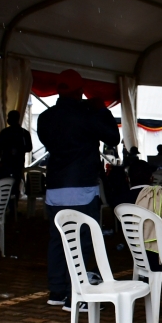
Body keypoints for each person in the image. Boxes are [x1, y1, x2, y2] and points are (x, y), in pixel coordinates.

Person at [37, 69, 120, 309]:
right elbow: (113, 138)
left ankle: (56, 291)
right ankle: (76, 296)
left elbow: (53, 142)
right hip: (81, 185)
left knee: (57, 239)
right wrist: (101, 110)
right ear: (80, 90)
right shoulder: (87, 115)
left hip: (55, 185)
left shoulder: (46, 118)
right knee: (82, 240)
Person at [0, 110, 33, 204]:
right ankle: (13, 207)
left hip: (7, 162)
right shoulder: (24, 133)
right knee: (15, 185)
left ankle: (6, 206)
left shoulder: (5, 132)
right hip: (17, 163)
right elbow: (29, 148)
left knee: (5, 184)